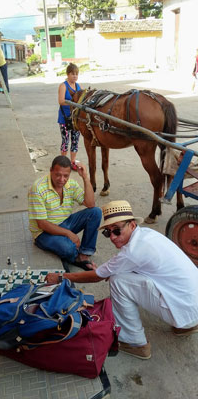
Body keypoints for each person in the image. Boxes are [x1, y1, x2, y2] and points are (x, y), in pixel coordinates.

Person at [45, 200, 198, 360]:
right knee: (121, 275)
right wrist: (105, 271)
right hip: (192, 306)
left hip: (186, 310)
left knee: (118, 281)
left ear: (132, 225)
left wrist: (61, 277)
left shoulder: (132, 251)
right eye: (107, 232)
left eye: (117, 230)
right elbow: (120, 267)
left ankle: (134, 342)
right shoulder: (147, 235)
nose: (112, 237)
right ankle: (185, 325)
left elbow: (97, 277)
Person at [28, 155, 102, 269]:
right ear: (51, 170)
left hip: (65, 222)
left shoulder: (71, 184)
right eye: (57, 175)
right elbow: (42, 224)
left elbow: (90, 203)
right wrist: (69, 234)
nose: (62, 179)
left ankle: (84, 254)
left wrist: (85, 178)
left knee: (95, 212)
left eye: (65, 176)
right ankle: (74, 257)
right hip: (43, 232)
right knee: (68, 248)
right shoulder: (38, 188)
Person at [58, 63, 81, 171]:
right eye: (72, 74)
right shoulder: (63, 86)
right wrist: (74, 103)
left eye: (76, 74)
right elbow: (61, 101)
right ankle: (62, 163)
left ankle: (72, 162)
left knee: (75, 141)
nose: (75, 76)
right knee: (65, 141)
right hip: (64, 118)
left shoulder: (78, 86)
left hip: (75, 118)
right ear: (68, 74)